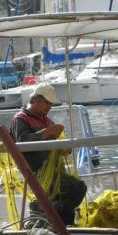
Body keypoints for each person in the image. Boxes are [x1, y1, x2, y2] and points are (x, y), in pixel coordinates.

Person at [10, 82, 87, 225]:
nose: (49, 107)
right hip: (34, 171)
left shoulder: (47, 120)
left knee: (75, 189)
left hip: (52, 171)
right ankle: (49, 215)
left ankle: (55, 217)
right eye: (47, 103)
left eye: (50, 104)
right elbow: (22, 142)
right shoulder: (20, 118)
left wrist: (64, 149)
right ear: (34, 100)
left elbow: (53, 144)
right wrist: (47, 132)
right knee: (76, 188)